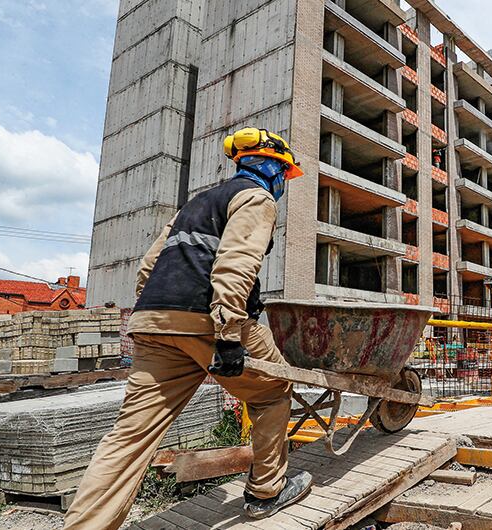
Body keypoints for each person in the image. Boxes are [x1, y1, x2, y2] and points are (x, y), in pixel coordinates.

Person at [64, 128, 310, 529]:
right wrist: (229, 334)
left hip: (153, 323)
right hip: (207, 322)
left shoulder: (194, 204)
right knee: (272, 392)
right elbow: (237, 263)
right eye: (285, 172)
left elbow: (149, 265)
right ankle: (266, 491)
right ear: (272, 167)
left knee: (130, 436)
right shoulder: (256, 197)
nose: (285, 181)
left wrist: (156, 315)